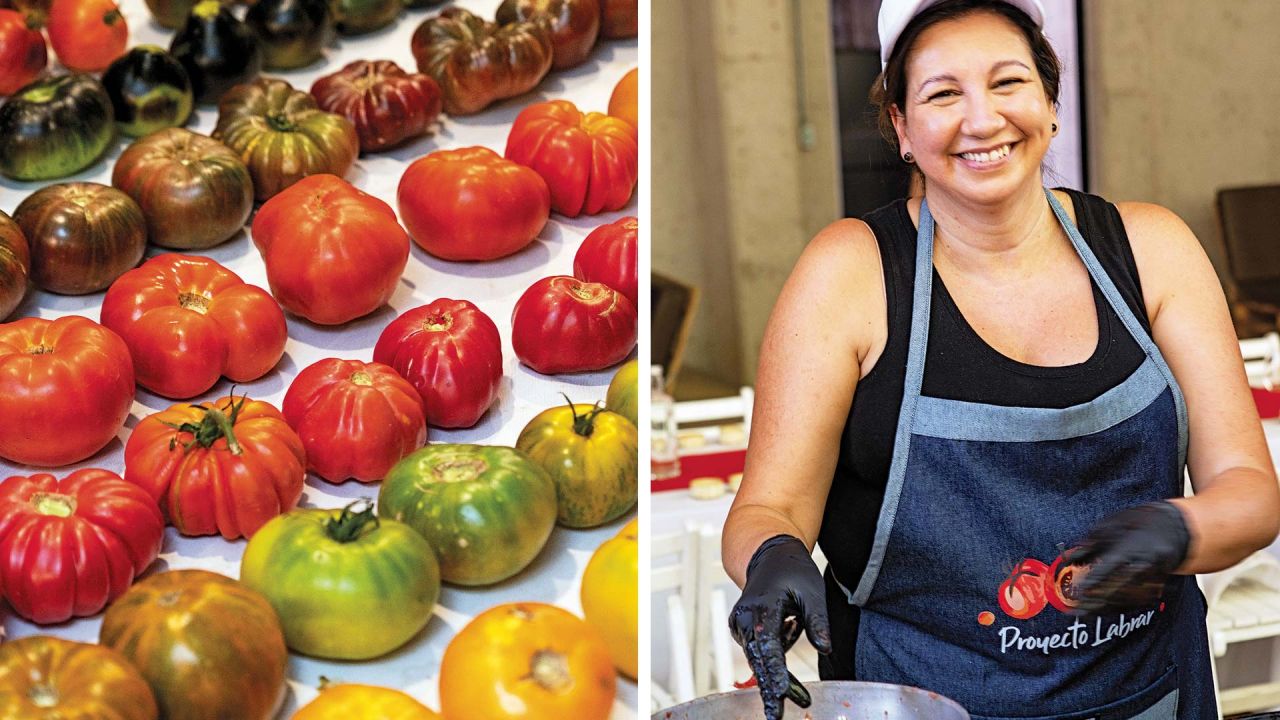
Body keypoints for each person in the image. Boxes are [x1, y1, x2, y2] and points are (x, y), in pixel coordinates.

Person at [721, 1, 1280, 718]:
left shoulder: (1151, 252)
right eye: (943, 94)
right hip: (914, 705)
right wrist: (772, 558)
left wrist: (1179, 532)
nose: (982, 120)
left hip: (1152, 699)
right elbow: (769, 505)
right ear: (901, 126)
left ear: (1050, 103)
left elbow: (1250, 490)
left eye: (1008, 83)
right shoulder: (848, 276)